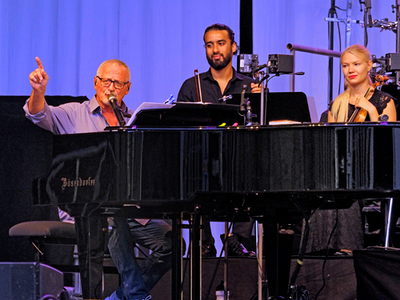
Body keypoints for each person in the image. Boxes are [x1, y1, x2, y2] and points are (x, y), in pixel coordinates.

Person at [25, 57, 172, 300]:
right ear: (95, 82)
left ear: (128, 88)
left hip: (130, 210)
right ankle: (135, 295)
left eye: (118, 83)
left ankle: (121, 296)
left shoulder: (134, 121)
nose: (111, 87)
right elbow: (38, 114)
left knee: (171, 240)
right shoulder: (74, 113)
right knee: (112, 216)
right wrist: (38, 91)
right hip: (87, 210)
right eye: (106, 81)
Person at [177, 23, 261, 257]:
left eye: (221, 43)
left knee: (254, 171)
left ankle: (238, 240)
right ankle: (203, 242)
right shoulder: (191, 86)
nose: (215, 49)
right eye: (209, 44)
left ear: (233, 48)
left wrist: (260, 100)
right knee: (190, 170)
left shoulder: (249, 85)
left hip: (239, 160)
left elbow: (260, 129)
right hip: (202, 161)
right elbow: (183, 130)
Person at [306, 44, 397, 254]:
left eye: (356, 64)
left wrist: (372, 113)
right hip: (343, 172)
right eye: (345, 65)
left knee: (345, 189)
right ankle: (318, 252)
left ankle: (348, 250)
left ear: (369, 66)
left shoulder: (384, 101)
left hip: (374, 174)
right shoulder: (336, 104)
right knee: (322, 190)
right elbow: (330, 147)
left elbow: (387, 148)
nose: (350, 70)